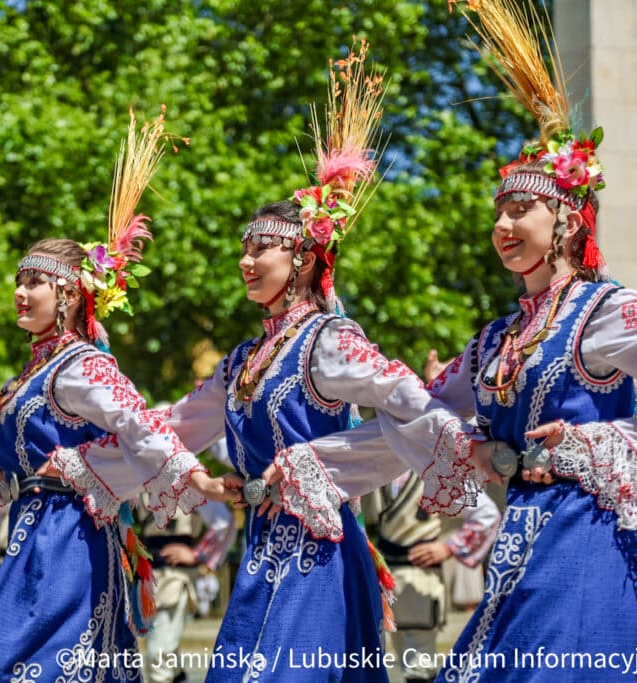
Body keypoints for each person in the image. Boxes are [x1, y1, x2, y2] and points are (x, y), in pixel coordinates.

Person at [158, 50, 490, 682]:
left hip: (320, 553)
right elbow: (174, 425)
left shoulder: (327, 341)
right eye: (244, 249)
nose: (246, 261)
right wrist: (188, 475)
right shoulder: (241, 362)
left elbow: (408, 400)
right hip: (261, 554)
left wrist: (327, 462)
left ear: (304, 259)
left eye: (262, 248)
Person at [420, 2, 637, 680]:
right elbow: (423, 409)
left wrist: (600, 444)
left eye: (521, 209)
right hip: (522, 549)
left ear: (567, 219)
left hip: (595, 544)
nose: (502, 225)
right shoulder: (495, 339)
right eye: (498, 213)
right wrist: (473, 448)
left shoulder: (606, 310)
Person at [0, 110, 225, 682]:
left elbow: (139, 423)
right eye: (19, 281)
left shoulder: (81, 365)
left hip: (71, 536)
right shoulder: (26, 379)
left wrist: (198, 479)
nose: (20, 292)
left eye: (34, 282)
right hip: (31, 533)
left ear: (68, 293)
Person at [363, 473, 499, 683]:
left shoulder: (436, 469)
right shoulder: (379, 465)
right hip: (384, 577)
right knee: (390, 657)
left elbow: (486, 513)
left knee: (420, 665)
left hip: (421, 579)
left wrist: (449, 547)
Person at [141, 498, 237, 683]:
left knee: (158, 656)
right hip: (148, 579)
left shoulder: (190, 484)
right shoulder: (141, 482)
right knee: (169, 656)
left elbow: (225, 522)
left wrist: (197, 554)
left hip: (174, 579)